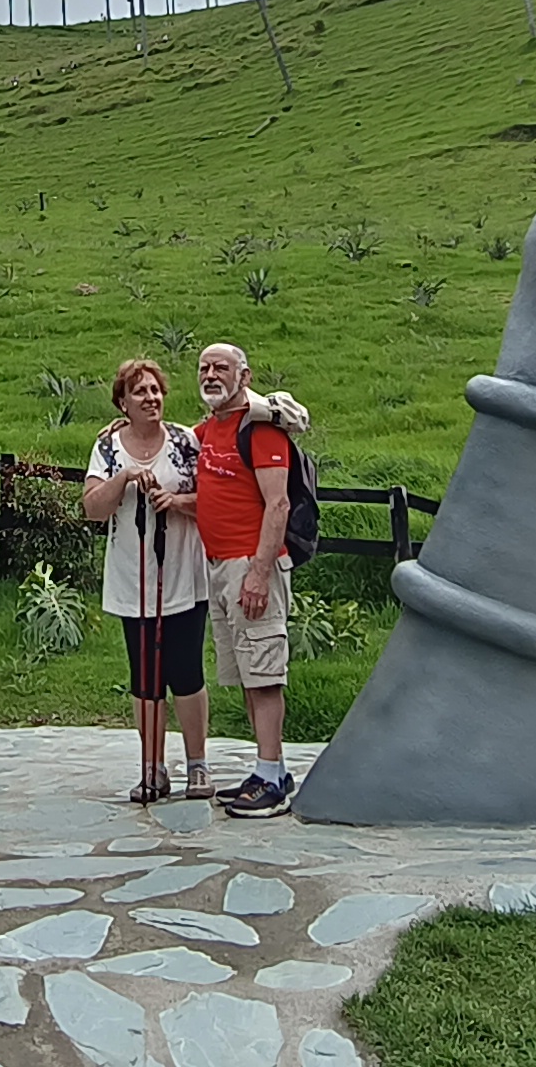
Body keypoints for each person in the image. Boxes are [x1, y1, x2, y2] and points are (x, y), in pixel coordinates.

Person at [85, 357, 208, 803]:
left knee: (186, 670)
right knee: (145, 677)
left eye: (156, 390)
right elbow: (93, 508)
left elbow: (212, 501)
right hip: (132, 578)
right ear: (123, 401)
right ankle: (153, 768)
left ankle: (197, 766)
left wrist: (175, 501)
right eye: (140, 392)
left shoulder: (184, 441)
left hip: (183, 573)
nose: (151, 398)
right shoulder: (107, 448)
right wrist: (124, 479)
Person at [192, 340, 298, 817]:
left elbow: (278, 505)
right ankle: (266, 771)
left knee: (265, 672)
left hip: (251, 567)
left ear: (245, 376)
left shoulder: (261, 432)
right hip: (219, 567)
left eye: (222, 368)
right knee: (249, 673)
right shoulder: (211, 429)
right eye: (204, 367)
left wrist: (258, 573)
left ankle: (272, 776)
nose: (212, 375)